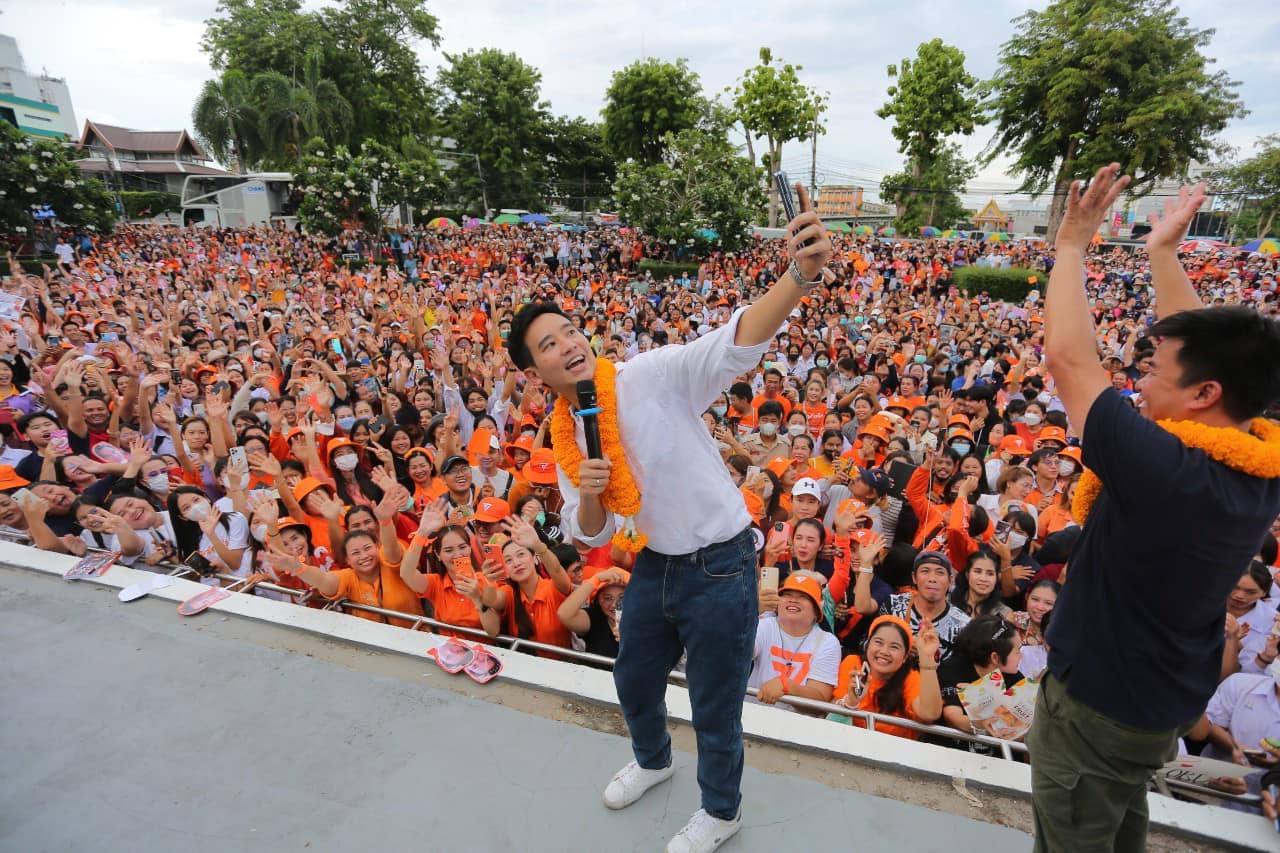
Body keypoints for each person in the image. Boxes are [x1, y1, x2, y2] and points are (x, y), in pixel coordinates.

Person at [505, 182, 834, 853]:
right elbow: (592, 532)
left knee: (714, 701)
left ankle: (721, 810)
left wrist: (799, 277)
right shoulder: (565, 436)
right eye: (548, 344)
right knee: (632, 675)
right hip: (655, 559)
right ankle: (654, 760)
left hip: (721, 562)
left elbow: (735, 340)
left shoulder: (645, 376)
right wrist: (589, 490)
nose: (567, 344)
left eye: (569, 330)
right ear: (535, 370)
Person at [1032, 168, 1280, 853]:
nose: (1138, 383)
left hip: (1097, 707)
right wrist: (1163, 254)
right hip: (1153, 702)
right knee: (1120, 827)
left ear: (1202, 395)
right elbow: (1207, 354)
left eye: (1149, 371)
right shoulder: (1255, 460)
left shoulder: (1165, 471)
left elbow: (1068, 358)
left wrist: (1072, 245)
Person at [748, 573, 841, 709]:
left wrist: (786, 686)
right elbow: (733, 653)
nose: (793, 600)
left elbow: (820, 699)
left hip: (798, 720)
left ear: (817, 611)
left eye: (803, 597)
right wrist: (751, 612)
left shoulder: (827, 642)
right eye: (787, 595)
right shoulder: (765, 626)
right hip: (751, 714)